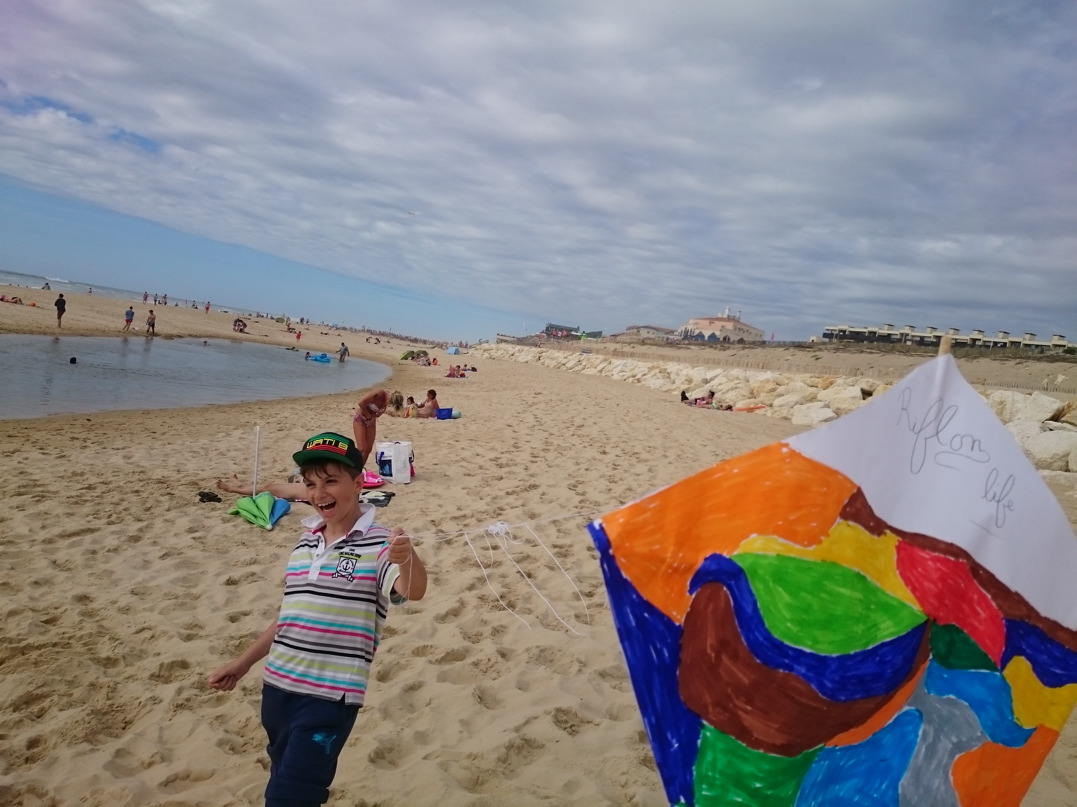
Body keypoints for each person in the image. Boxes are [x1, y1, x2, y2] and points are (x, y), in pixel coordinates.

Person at [208, 431, 427, 807]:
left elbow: (412, 590)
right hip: (277, 688)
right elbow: (289, 616)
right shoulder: (305, 541)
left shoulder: (379, 543)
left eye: (331, 481)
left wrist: (407, 558)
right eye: (310, 484)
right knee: (281, 775)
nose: (319, 492)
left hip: (330, 697)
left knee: (290, 797)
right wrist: (243, 663)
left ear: (357, 483)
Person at [352, 389, 389, 461]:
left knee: (368, 449)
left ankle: (360, 466)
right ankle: (354, 466)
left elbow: (377, 414)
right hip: (360, 418)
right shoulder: (380, 393)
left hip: (371, 421)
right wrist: (368, 416)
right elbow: (361, 403)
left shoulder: (386, 404)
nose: (388, 403)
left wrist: (372, 418)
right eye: (389, 401)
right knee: (361, 448)